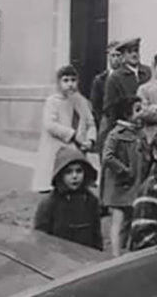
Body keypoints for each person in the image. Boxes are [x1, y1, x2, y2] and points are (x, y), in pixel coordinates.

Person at [32, 65, 96, 193]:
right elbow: (50, 124)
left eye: (73, 80)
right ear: (59, 83)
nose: (70, 84)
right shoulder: (53, 101)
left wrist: (90, 139)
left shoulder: (81, 101)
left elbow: (90, 123)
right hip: (57, 145)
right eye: (65, 80)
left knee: (77, 177)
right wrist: (72, 134)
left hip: (78, 146)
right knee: (58, 176)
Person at [101, 96, 151, 256]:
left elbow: (147, 155)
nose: (141, 113)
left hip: (136, 183)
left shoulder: (140, 133)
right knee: (118, 219)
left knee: (131, 219)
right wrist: (124, 170)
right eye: (137, 110)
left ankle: (127, 249)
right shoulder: (116, 134)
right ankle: (116, 254)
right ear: (126, 114)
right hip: (120, 184)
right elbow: (107, 157)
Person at [34, 146, 103, 250]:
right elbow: (40, 239)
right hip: (56, 254)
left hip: (85, 256)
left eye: (79, 171)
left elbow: (96, 237)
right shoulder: (49, 203)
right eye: (68, 172)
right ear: (60, 175)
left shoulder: (91, 201)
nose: (75, 176)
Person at [102, 38, 152, 143]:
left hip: (148, 125)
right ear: (123, 55)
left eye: (136, 51)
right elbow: (109, 108)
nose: (134, 54)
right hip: (127, 127)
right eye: (130, 52)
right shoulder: (115, 77)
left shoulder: (147, 72)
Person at [90, 41, 121, 132]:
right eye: (113, 55)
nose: (116, 59)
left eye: (118, 55)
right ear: (108, 56)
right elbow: (95, 106)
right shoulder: (100, 80)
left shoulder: (128, 78)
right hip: (107, 123)